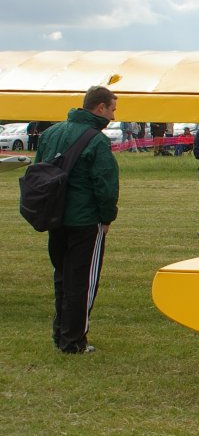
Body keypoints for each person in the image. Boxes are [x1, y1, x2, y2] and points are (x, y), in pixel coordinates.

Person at [34, 86, 120, 354]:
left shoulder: (51, 133)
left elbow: (38, 171)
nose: (115, 115)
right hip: (85, 220)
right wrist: (107, 217)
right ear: (100, 108)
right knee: (82, 281)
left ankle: (60, 333)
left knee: (62, 276)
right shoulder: (97, 140)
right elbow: (105, 184)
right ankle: (74, 340)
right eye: (113, 109)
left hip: (56, 217)